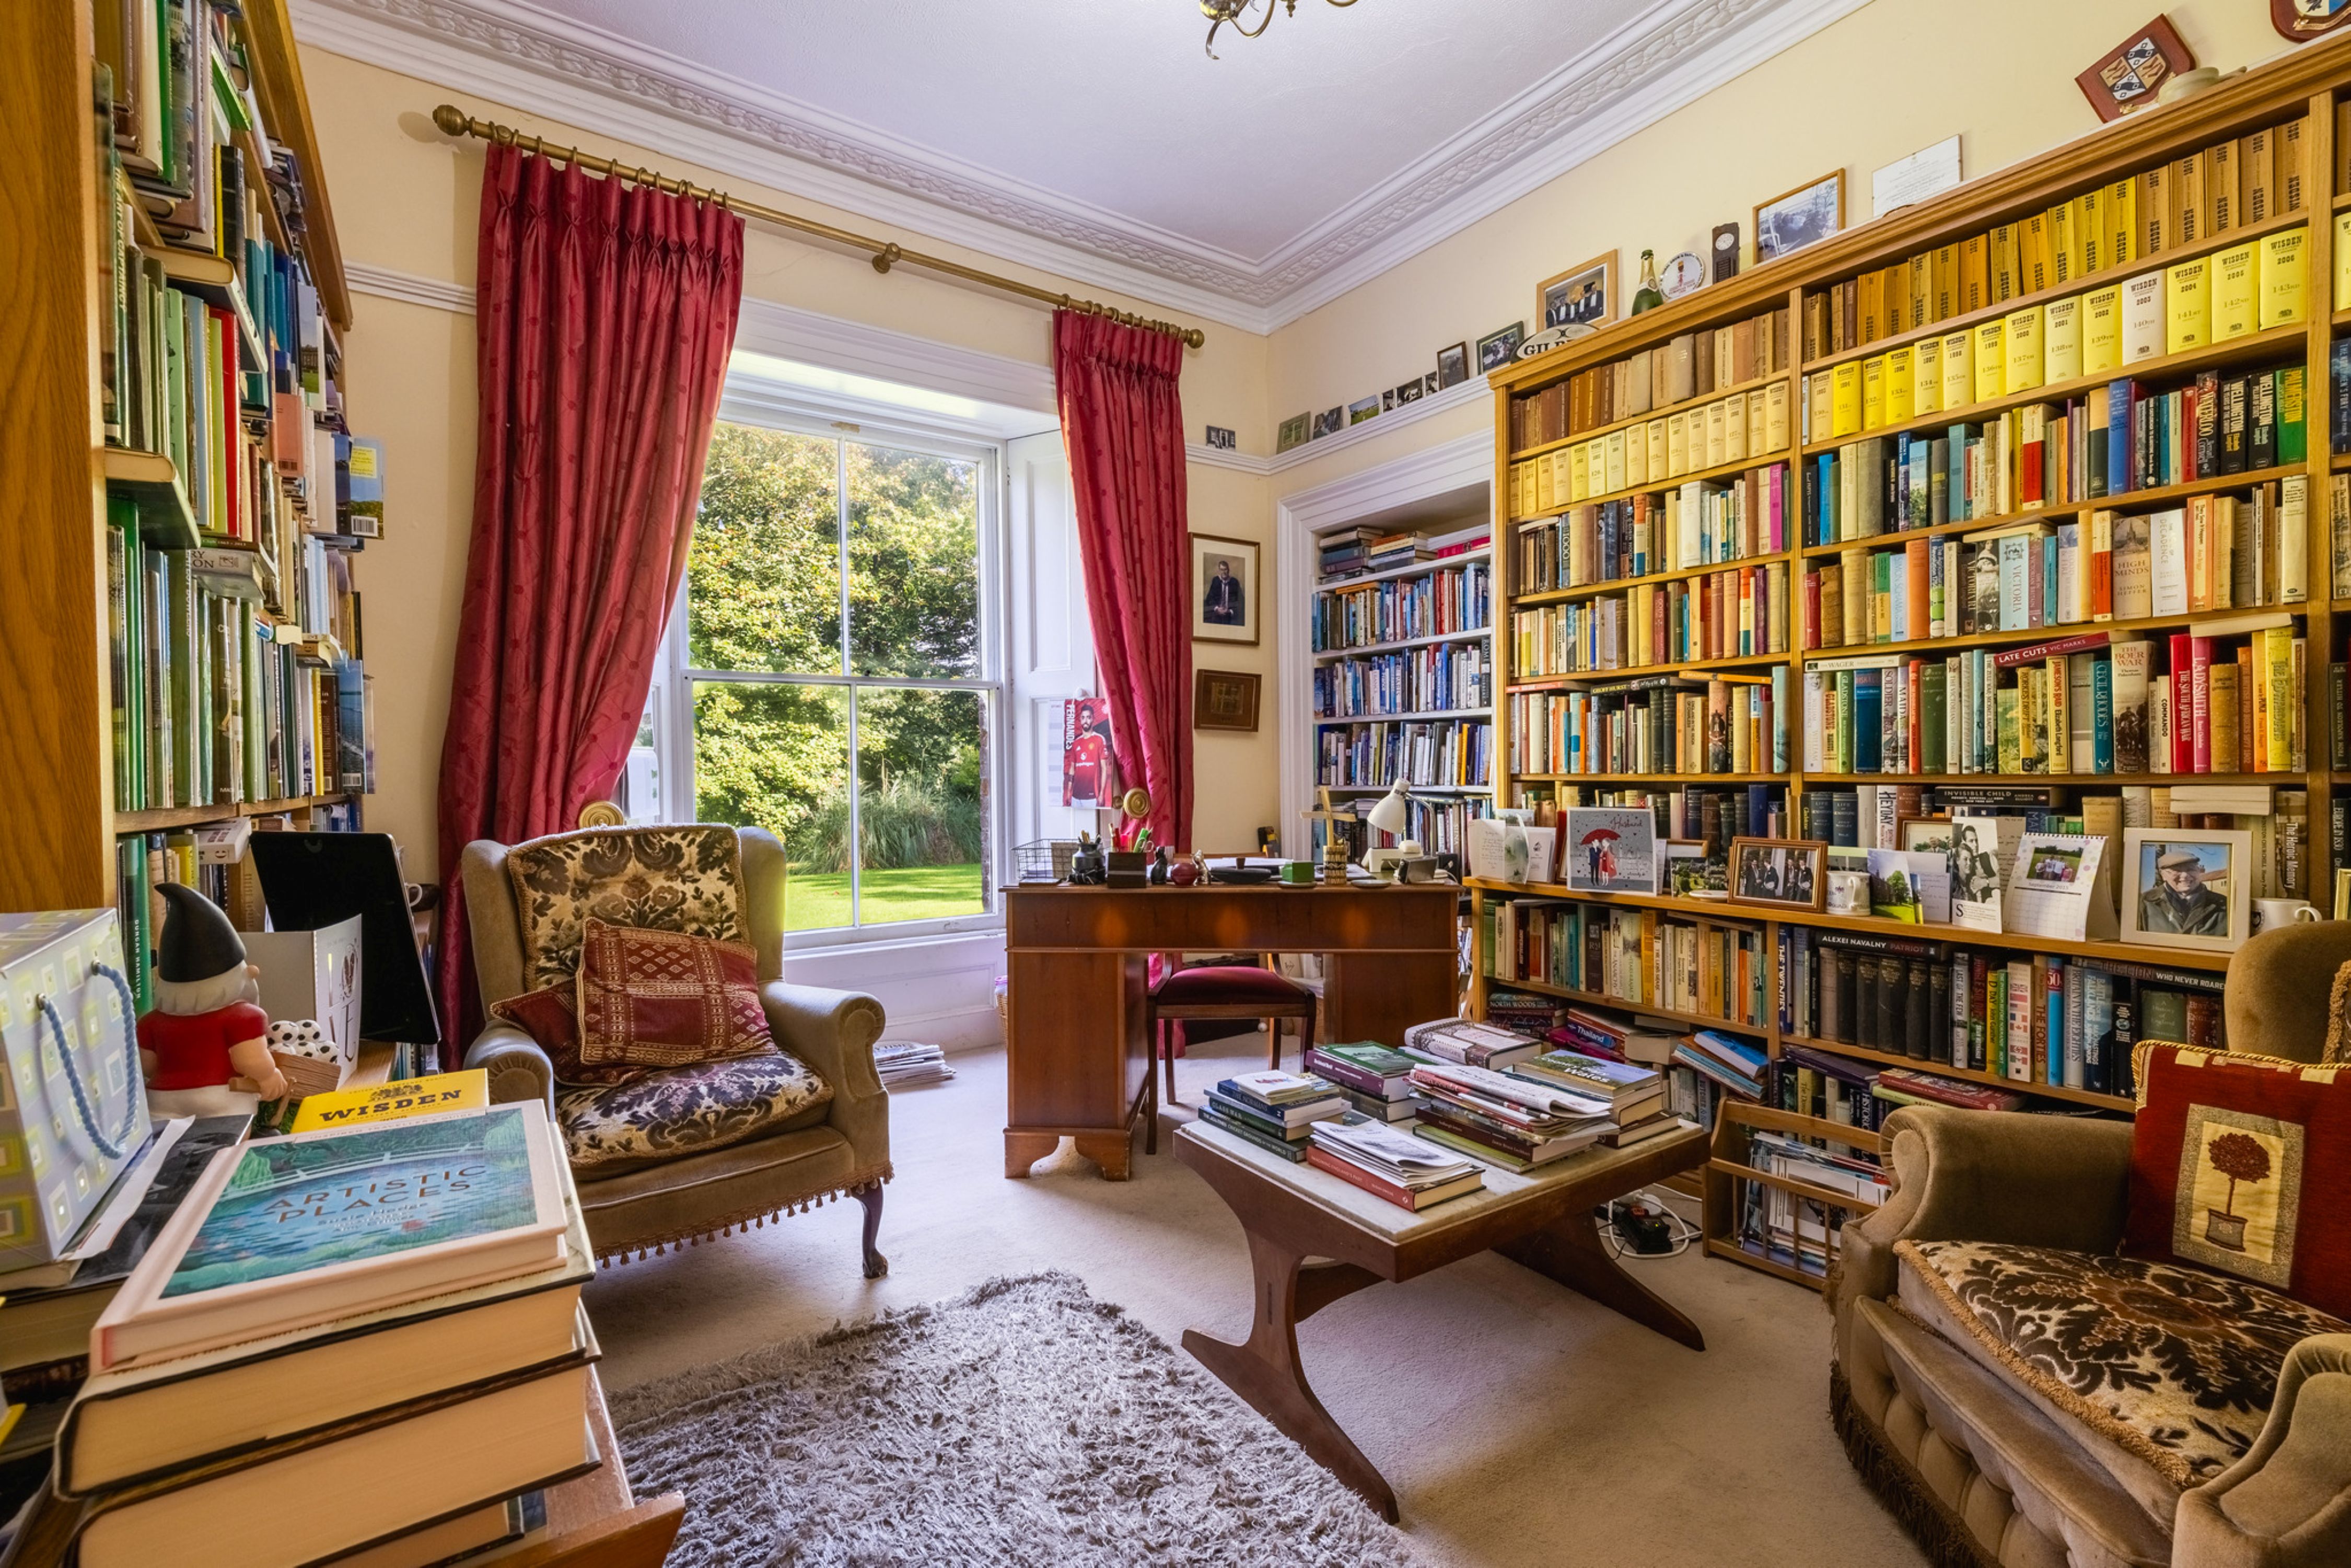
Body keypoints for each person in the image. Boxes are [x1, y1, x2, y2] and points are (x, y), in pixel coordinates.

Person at [2139, 849, 2229, 936]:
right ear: (2163, 875)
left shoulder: (2224, 904)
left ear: (2199, 871)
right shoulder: (2145, 902)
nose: (2185, 876)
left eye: (2191, 870)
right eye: (2177, 870)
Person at [1203, 558, 1244, 626]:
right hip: (1217, 615)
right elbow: (1210, 598)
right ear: (1219, 571)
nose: (1224, 572)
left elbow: (1240, 600)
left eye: (1226, 570)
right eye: (1222, 570)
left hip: (1231, 616)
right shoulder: (1216, 581)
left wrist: (1230, 611)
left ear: (1229, 570)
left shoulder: (1234, 582)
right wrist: (1217, 609)